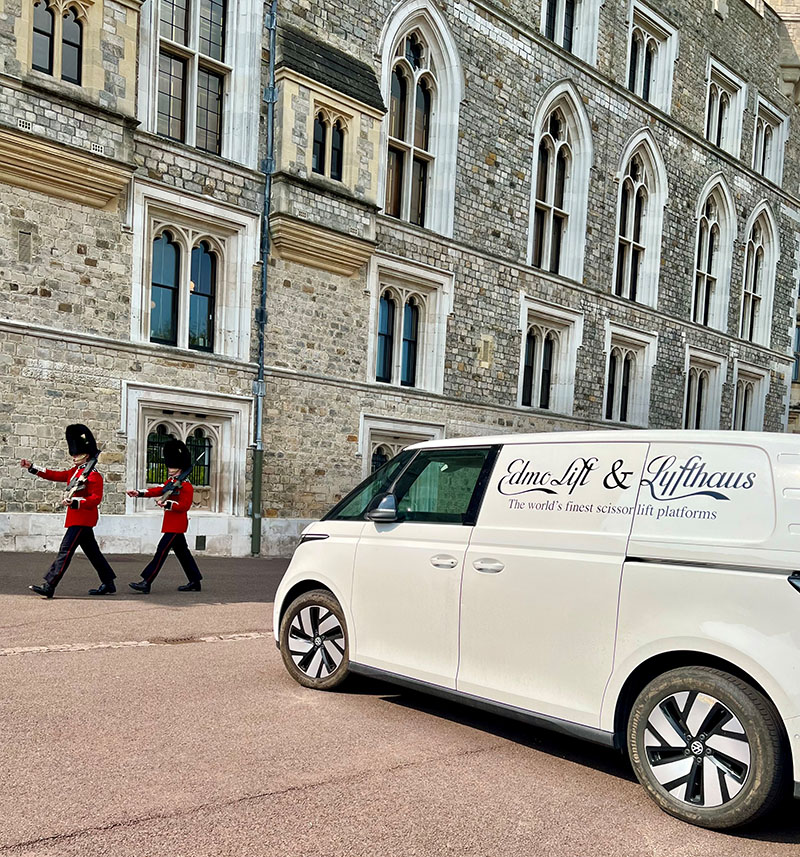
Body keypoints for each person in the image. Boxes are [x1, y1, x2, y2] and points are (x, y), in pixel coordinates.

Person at [21, 424, 116, 598]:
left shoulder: (94, 475)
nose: (73, 456)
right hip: (77, 519)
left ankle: (50, 585)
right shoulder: (75, 471)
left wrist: (75, 502)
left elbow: (96, 499)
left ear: (86, 454)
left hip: (83, 518)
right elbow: (55, 475)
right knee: (93, 553)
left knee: (65, 551)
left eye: (77, 454)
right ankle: (108, 582)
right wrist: (33, 467)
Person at [126, 438, 203, 594]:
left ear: (180, 467)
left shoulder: (186, 486)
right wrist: (139, 493)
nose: (169, 467)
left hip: (177, 525)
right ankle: (195, 581)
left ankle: (147, 581)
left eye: (173, 465)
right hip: (171, 524)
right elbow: (158, 491)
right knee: (183, 553)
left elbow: (184, 506)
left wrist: (168, 504)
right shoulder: (171, 481)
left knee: (161, 552)